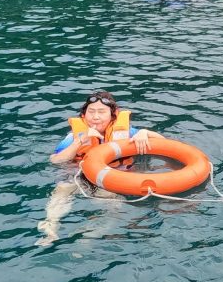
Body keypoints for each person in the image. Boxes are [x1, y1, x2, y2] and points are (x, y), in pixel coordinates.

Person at [38, 91, 160, 246]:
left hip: (110, 179)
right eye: (91, 111)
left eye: (101, 112)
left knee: (115, 206)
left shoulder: (128, 133)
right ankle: (51, 228)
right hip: (80, 176)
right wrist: (80, 142)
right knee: (62, 190)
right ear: (84, 114)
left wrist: (145, 132)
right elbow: (55, 160)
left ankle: (89, 235)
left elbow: (166, 144)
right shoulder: (74, 136)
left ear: (113, 115)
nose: (95, 117)